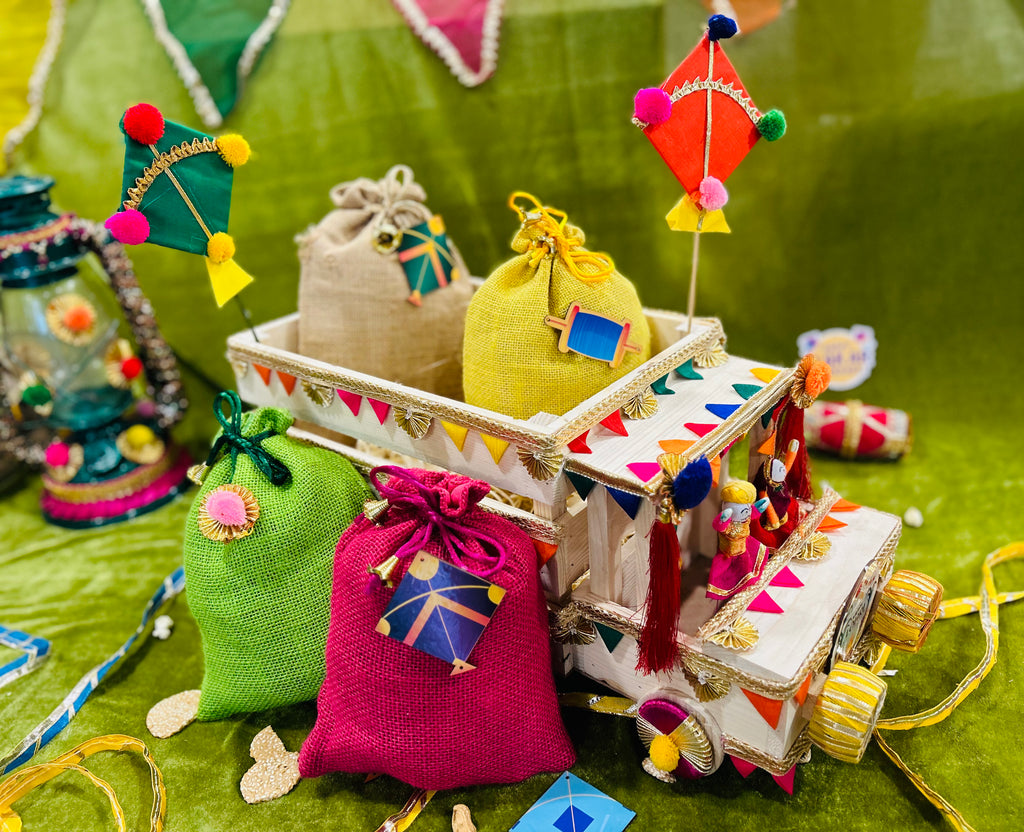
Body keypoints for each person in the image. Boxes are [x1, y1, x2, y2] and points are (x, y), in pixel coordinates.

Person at [707, 480, 771, 603]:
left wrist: (758, 508)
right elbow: (718, 526)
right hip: (730, 551)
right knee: (737, 570)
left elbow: (752, 513)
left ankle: (747, 582)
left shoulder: (745, 517)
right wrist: (724, 519)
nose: (747, 511)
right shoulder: (728, 523)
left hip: (745, 544)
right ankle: (741, 586)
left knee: (757, 553)